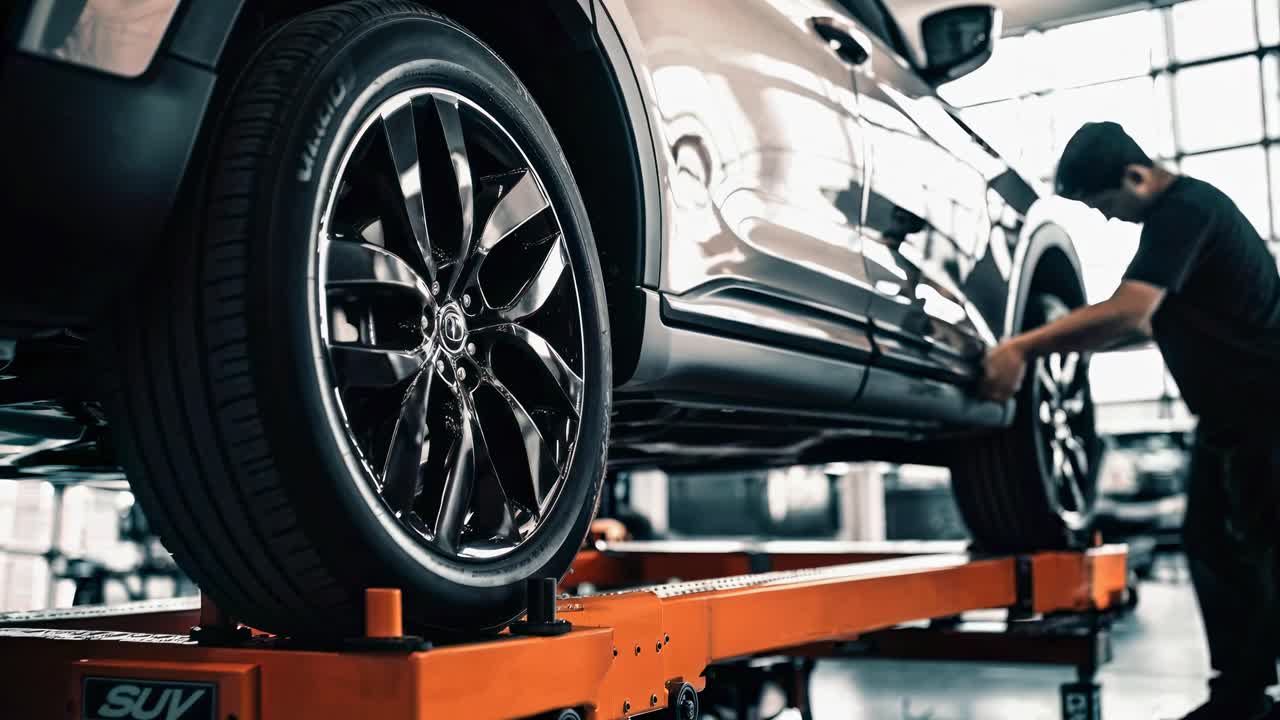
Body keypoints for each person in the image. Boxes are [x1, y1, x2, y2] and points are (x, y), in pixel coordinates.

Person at [981, 121, 1280, 720]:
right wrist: (1063, 345)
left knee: (1265, 551)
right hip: (1230, 419)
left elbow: (1129, 312)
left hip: (1267, 412)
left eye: (1105, 204)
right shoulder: (1182, 217)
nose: (1108, 218)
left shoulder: (1186, 209)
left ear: (1136, 176)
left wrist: (1021, 348)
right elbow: (1145, 326)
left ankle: (1247, 696)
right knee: (1213, 544)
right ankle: (1241, 696)